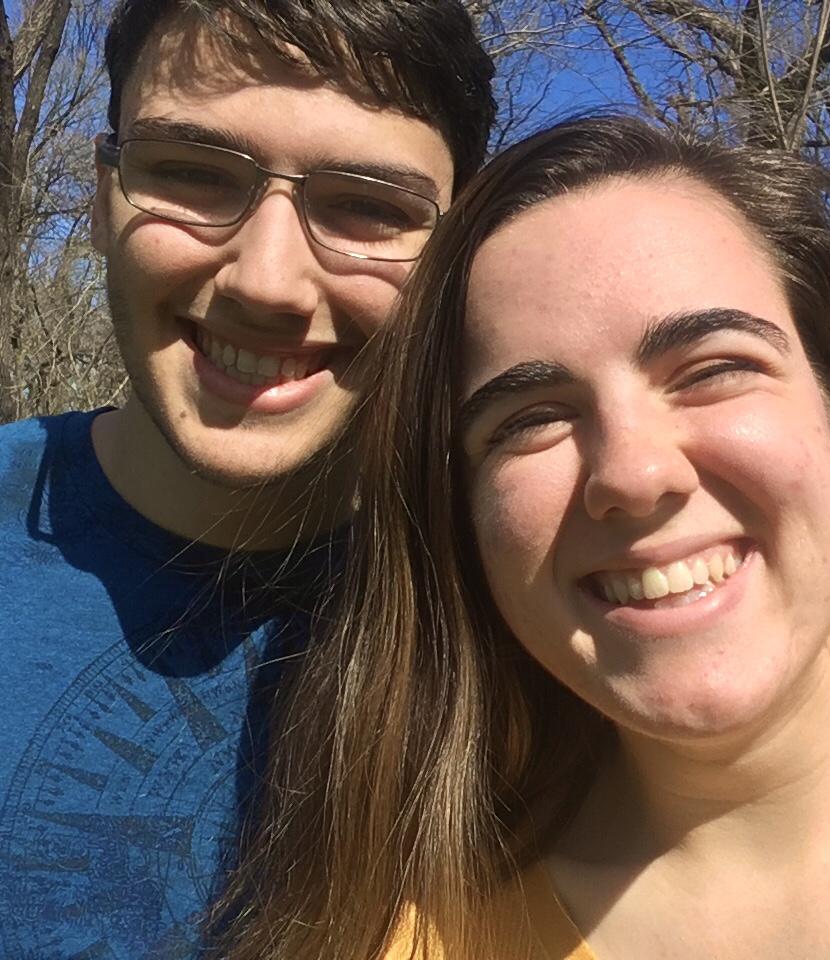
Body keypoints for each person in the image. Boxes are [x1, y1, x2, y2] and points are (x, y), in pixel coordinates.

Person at [215, 115, 830, 960]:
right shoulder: (412, 934)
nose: (635, 475)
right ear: (465, 523)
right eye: (532, 418)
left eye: (715, 369)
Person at [0, 1, 494, 956]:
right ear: (105, 200)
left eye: (368, 206)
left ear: (452, 255)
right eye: (190, 173)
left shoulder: (532, 608)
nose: (267, 281)